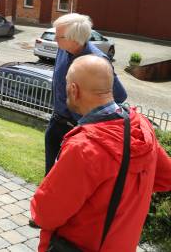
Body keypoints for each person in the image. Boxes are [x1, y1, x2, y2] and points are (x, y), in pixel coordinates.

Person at [31, 55, 171, 252]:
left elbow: (46, 213)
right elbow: (165, 177)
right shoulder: (141, 126)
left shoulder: (84, 147)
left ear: (74, 89)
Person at [45, 13, 127, 174]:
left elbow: (119, 95)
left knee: (70, 180)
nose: (54, 39)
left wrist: (89, 116)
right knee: (50, 176)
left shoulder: (98, 61)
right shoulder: (63, 49)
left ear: (74, 39)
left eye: (58, 36)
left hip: (80, 131)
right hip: (56, 124)